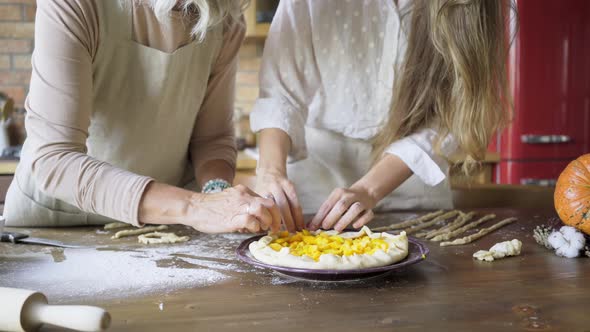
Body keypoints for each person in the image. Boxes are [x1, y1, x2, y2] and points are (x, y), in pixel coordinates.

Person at [3, 0, 280, 233]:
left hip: (164, 223)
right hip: (55, 222)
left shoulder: (225, 17)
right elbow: (55, 159)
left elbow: (211, 138)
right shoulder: (75, 4)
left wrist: (217, 192)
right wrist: (195, 206)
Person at [252, 0, 512, 232]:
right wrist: (269, 171)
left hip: (412, 185)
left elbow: (451, 116)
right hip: (314, 183)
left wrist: (368, 189)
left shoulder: (466, 7)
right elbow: (280, 94)